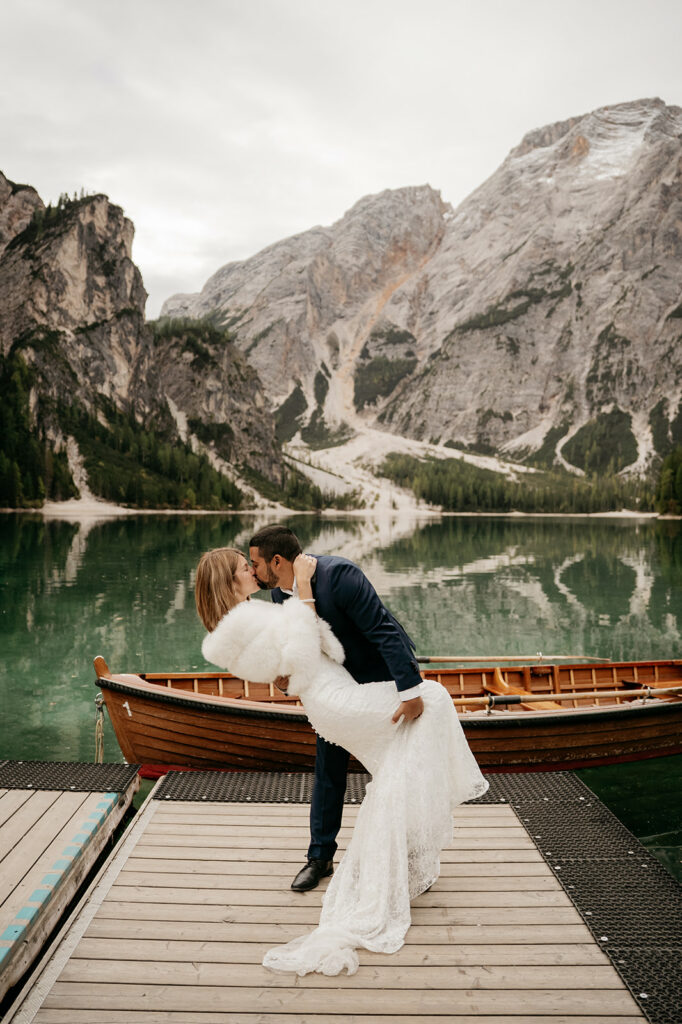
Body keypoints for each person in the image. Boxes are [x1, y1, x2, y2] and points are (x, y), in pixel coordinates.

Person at [196, 545, 489, 977]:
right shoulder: (241, 623)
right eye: (245, 567)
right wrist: (305, 590)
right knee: (432, 701)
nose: (253, 571)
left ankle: (402, 852)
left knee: (396, 762)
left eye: (252, 563)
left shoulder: (267, 604)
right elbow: (299, 651)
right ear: (230, 580)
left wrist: (292, 659)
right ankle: (341, 856)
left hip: (344, 685)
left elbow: (309, 651)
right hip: (333, 698)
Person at [248, 524, 425, 893]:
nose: (253, 571)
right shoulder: (279, 594)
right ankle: (320, 858)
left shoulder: (340, 575)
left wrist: (409, 692)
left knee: (395, 770)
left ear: (276, 561)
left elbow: (383, 632)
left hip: (380, 681)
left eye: (256, 564)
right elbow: (303, 642)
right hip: (336, 691)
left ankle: (410, 857)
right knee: (328, 769)